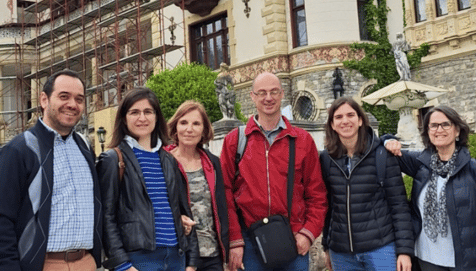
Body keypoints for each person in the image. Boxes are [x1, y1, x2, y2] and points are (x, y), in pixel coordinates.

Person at [0, 69, 103, 271]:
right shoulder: (19, 150)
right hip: (44, 265)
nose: (72, 104)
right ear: (44, 100)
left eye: (79, 99)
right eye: (64, 96)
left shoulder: (84, 147)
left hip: (86, 263)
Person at [220, 72, 328, 271]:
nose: (268, 98)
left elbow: (317, 194)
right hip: (250, 241)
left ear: (282, 94)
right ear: (252, 96)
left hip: (293, 239)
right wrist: (234, 240)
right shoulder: (235, 141)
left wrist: (308, 233)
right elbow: (224, 194)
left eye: (273, 92)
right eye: (261, 93)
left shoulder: (302, 140)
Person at [383, 105, 476, 271]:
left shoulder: (475, 168)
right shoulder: (421, 163)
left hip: (466, 260)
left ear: (457, 131)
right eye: (433, 125)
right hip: (427, 258)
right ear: (427, 132)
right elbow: (383, 147)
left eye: (445, 124)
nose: (439, 129)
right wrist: (388, 140)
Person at [96, 87, 199, 271]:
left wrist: (191, 263)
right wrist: (122, 265)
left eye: (148, 112)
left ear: (157, 117)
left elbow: (184, 211)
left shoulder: (169, 161)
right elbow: (106, 216)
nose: (142, 118)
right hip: (139, 260)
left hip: (176, 257)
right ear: (124, 118)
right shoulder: (113, 160)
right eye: (134, 112)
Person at [320, 97, 414, 271]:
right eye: (338, 117)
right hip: (341, 253)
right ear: (332, 124)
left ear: (360, 120)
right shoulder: (326, 159)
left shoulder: (382, 155)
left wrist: (404, 251)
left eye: (350, 115)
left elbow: (399, 206)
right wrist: (327, 245)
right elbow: (329, 207)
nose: (345, 121)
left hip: (380, 248)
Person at [166, 101, 230, 271]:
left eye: (196, 123)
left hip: (211, 255)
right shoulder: (163, 161)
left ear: (204, 130)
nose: (189, 129)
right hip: (177, 255)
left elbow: (222, 208)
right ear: (175, 127)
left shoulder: (213, 163)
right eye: (184, 122)